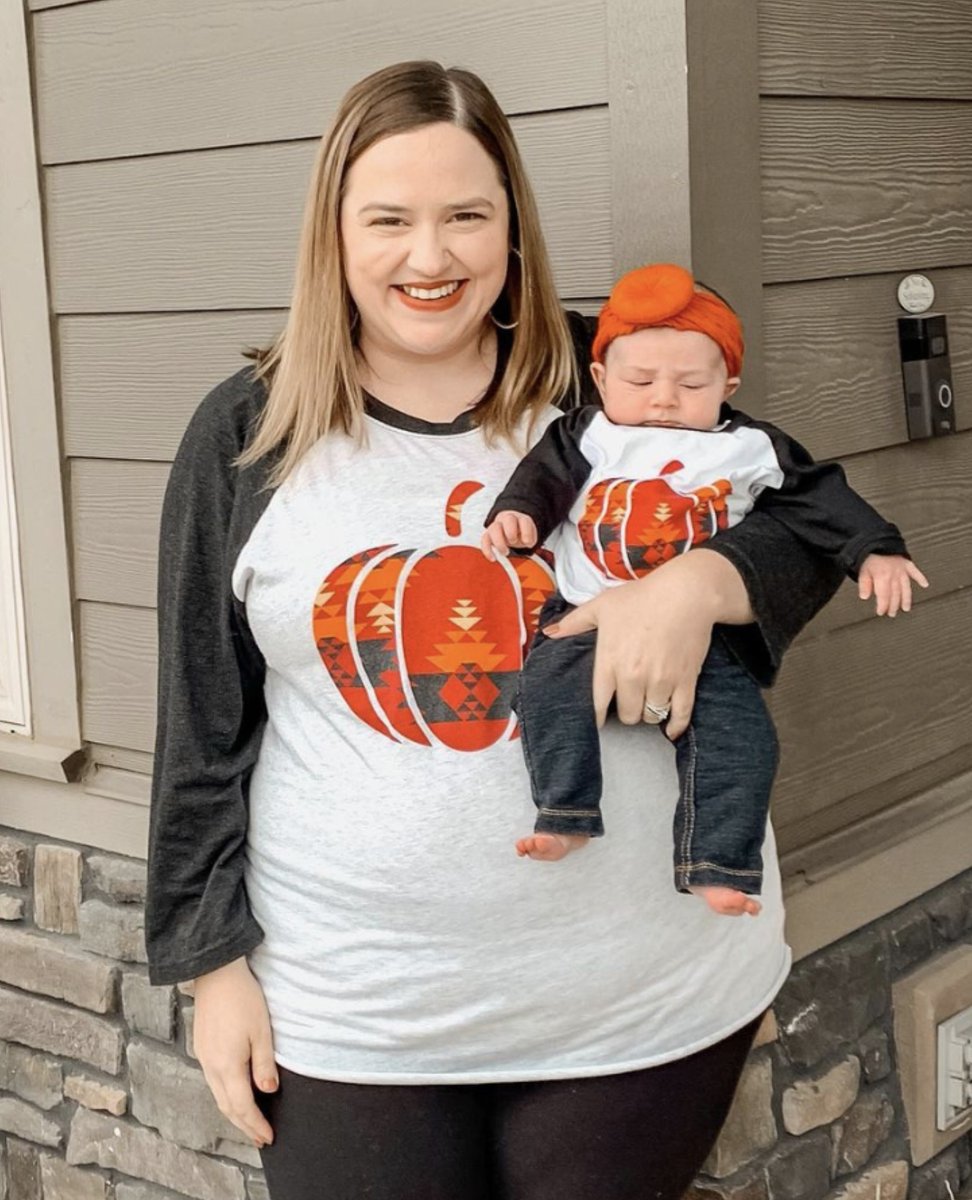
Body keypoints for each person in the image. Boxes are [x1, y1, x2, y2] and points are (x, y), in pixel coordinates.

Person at [146, 61, 848, 1200]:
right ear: (333, 232)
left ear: (512, 225)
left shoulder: (612, 377)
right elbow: (200, 724)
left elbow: (815, 520)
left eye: (467, 216)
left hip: (639, 998)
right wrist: (209, 965)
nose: (432, 259)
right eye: (390, 220)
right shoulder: (251, 431)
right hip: (356, 1007)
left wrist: (700, 582)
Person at [481, 262, 928, 918]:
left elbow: (818, 498)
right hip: (580, 613)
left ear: (728, 383)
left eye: (691, 383)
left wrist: (874, 549)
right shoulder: (588, 432)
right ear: (601, 378)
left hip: (704, 644)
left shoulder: (748, 448)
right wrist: (519, 513)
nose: (663, 398)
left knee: (741, 738)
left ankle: (718, 861)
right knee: (545, 694)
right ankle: (566, 811)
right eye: (639, 381)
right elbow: (543, 476)